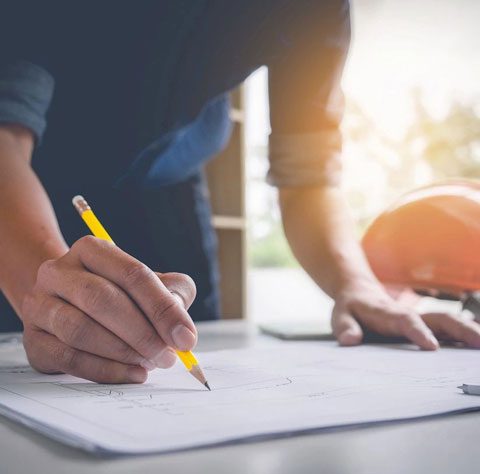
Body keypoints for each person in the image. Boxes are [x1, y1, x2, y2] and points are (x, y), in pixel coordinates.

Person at [0, 1, 478, 384]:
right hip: (29, 188)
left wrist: (359, 285)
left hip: (169, 187)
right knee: (48, 351)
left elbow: (308, 176)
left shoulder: (319, 9)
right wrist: (39, 288)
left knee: (179, 330)